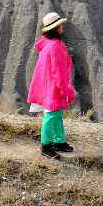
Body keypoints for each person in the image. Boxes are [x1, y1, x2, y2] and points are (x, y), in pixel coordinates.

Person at [28, 12, 78, 159]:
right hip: (53, 87)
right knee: (51, 116)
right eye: (60, 25)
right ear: (55, 28)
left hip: (47, 85)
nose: (62, 27)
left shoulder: (49, 44)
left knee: (56, 115)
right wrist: (67, 90)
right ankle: (46, 146)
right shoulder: (55, 47)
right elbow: (59, 72)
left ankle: (59, 141)